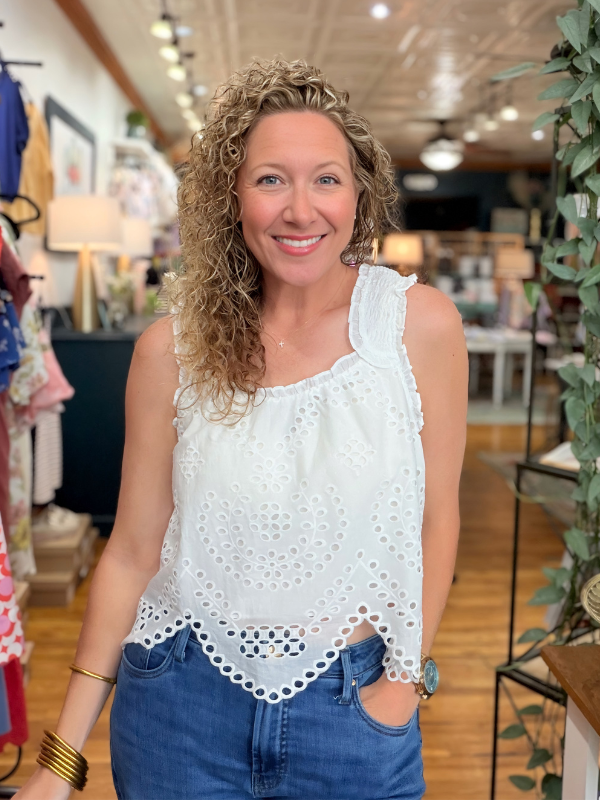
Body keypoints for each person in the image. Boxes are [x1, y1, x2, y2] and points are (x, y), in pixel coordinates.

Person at [16, 59, 467, 800]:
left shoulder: (416, 325)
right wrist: (58, 762)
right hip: (177, 711)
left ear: (359, 194)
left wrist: (402, 686)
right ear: (232, 196)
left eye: (325, 178)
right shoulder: (173, 349)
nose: (300, 209)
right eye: (269, 180)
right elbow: (130, 555)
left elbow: (437, 520)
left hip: (353, 714)